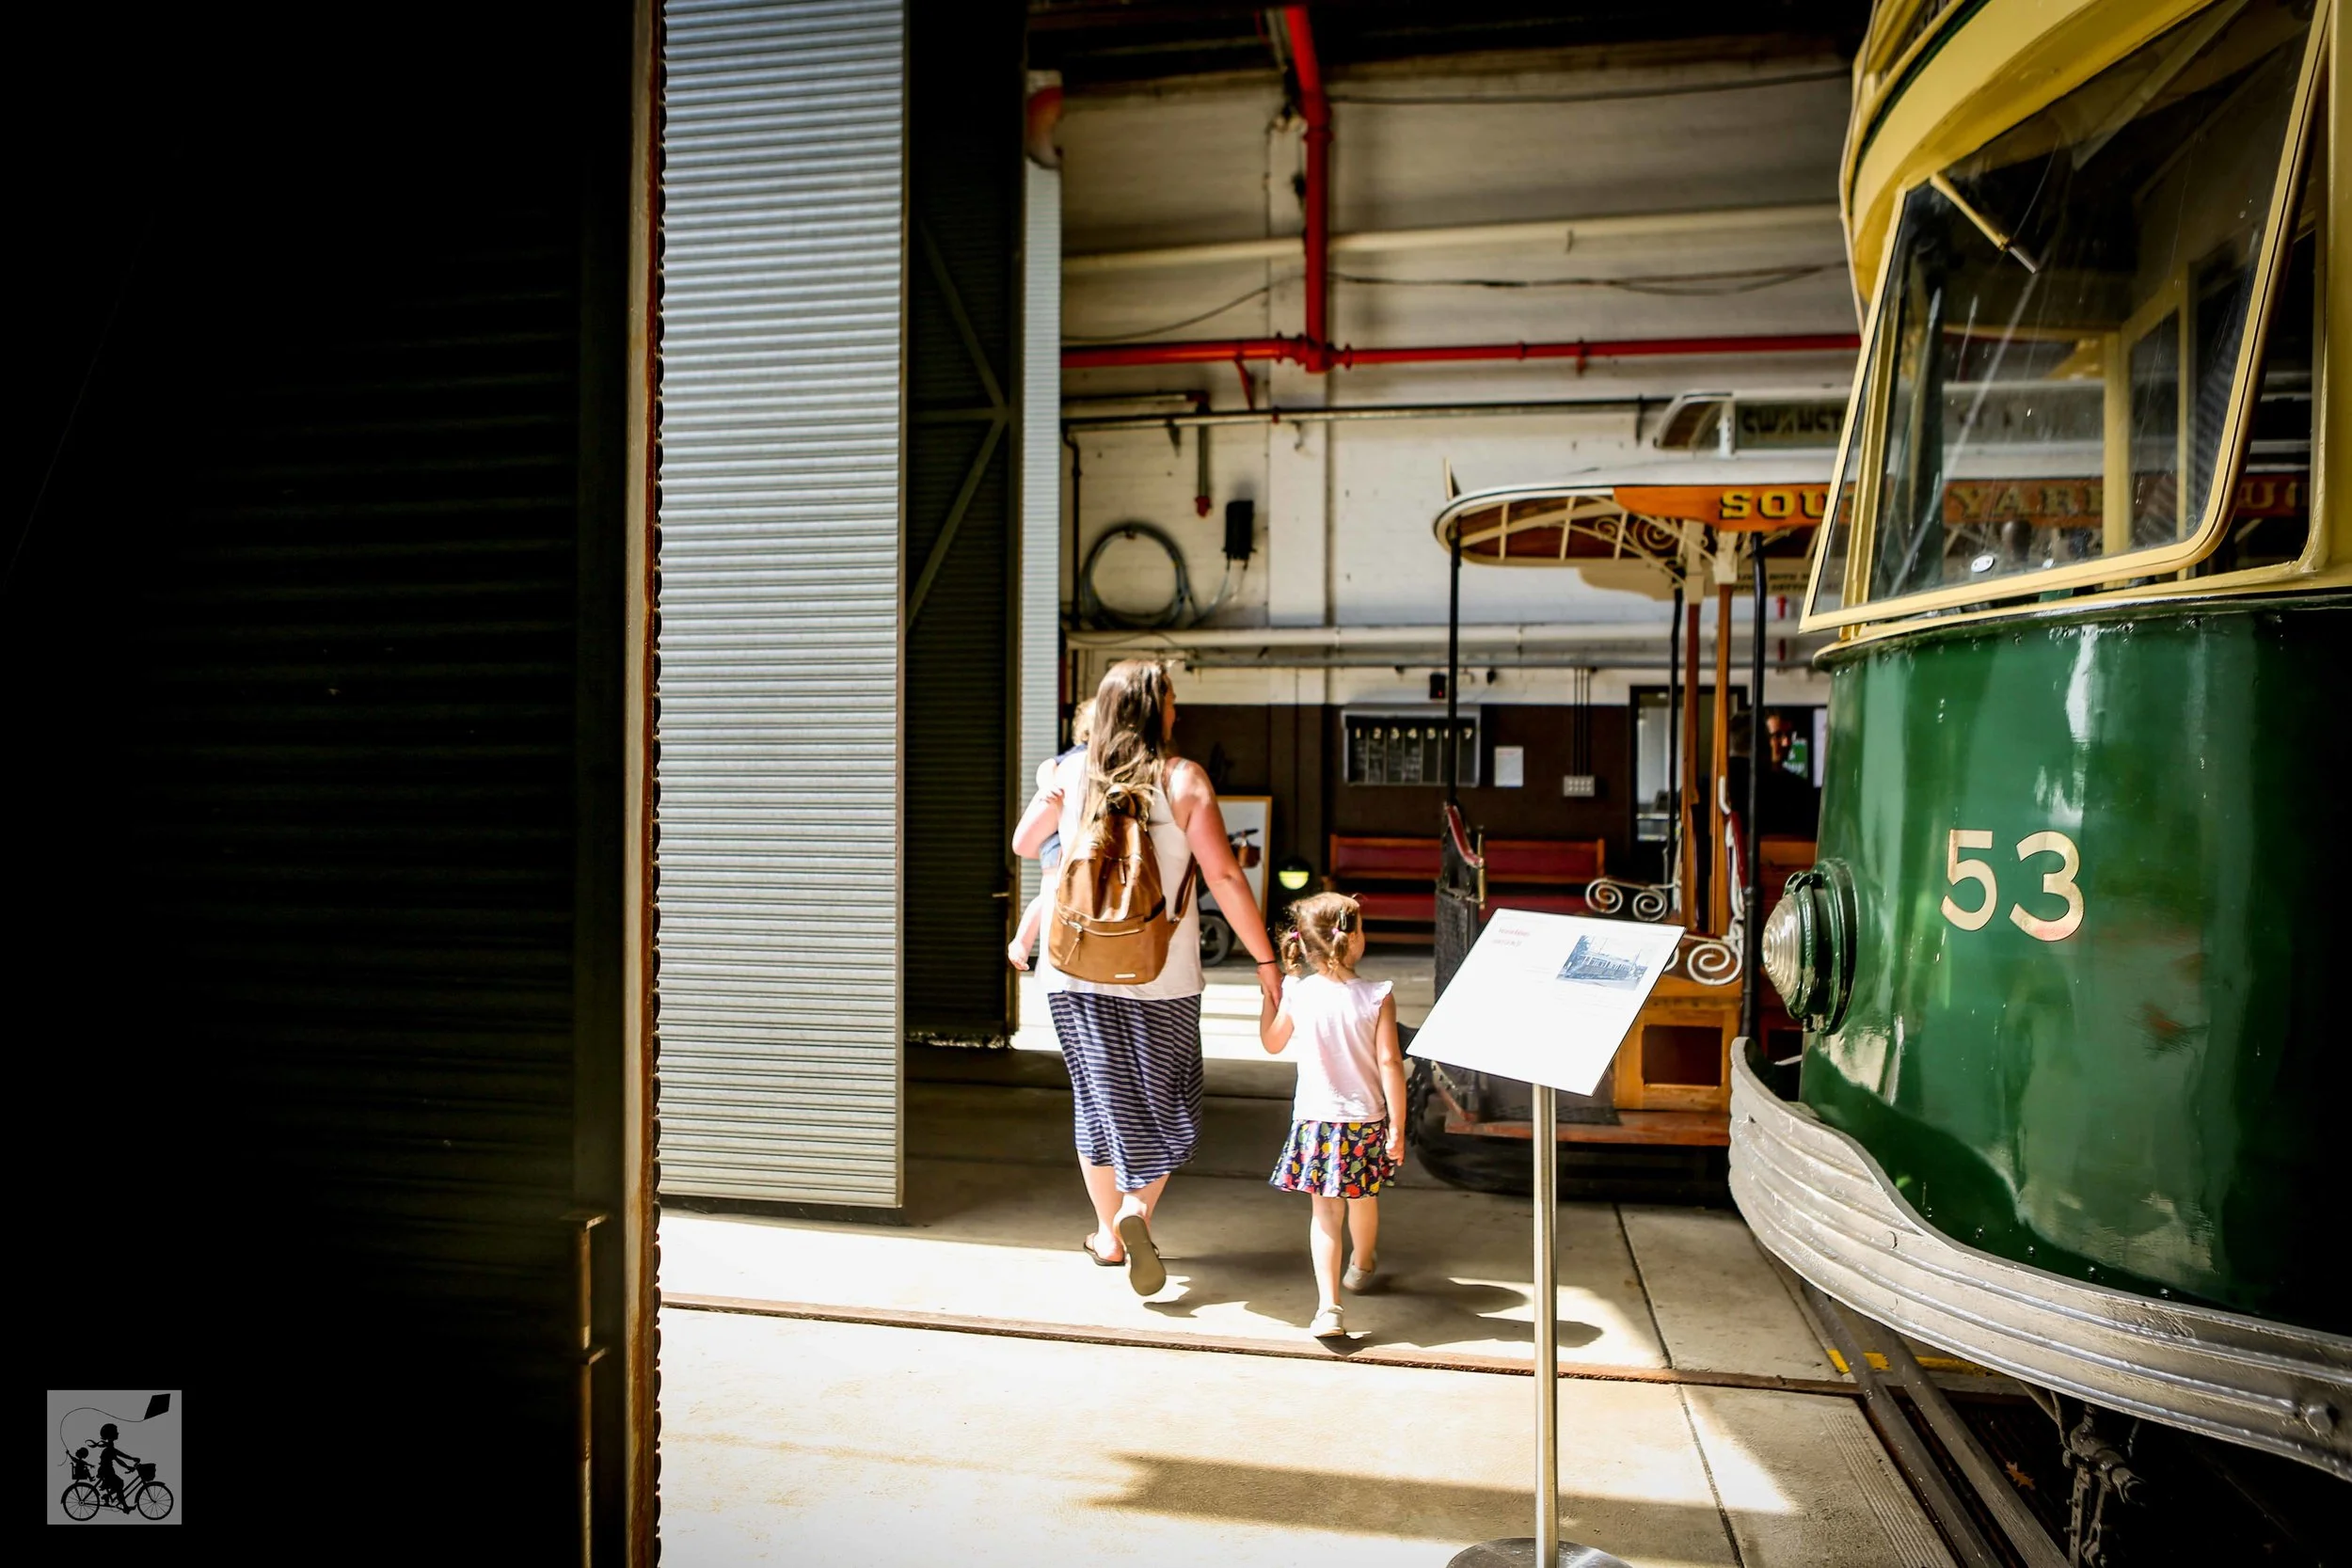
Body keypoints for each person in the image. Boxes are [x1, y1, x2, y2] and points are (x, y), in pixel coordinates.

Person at [1012, 658, 1280, 1296]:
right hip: (1161, 975)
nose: (1178, 710)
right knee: (1170, 1102)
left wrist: (1054, 793)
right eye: (1172, 699)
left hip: (1072, 970)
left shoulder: (1069, 770)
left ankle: (1108, 1235)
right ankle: (1136, 1210)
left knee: (1097, 1100)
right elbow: (1223, 877)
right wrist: (1266, 962)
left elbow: (1027, 845)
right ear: (1154, 708)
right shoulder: (1183, 780)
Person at [1256, 893, 1406, 1340]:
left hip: (1315, 1122)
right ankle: (1361, 1264)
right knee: (1363, 1199)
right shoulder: (1378, 996)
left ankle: (1328, 1309)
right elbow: (1390, 1064)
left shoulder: (1298, 993)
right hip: (1364, 1120)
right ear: (1354, 939)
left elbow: (1272, 1043)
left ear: (1304, 944)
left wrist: (1272, 997)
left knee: (1325, 1215)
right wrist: (1397, 1124)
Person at [1007, 703, 1093, 972]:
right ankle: (1022, 941)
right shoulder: (1081, 756)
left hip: (1065, 838)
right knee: (1051, 891)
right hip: (1058, 838)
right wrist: (1048, 787)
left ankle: (1026, 940)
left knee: (1054, 892)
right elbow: (1048, 765)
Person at [95, 1423, 141, 1505]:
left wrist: (132, 1458)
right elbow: (118, 1459)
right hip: (106, 1471)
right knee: (119, 1484)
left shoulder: (110, 1446)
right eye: (115, 1431)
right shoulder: (109, 1447)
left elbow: (119, 1453)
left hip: (107, 1470)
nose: (118, 1433)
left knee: (119, 1484)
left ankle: (107, 1496)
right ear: (110, 1434)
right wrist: (127, 1466)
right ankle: (125, 1507)